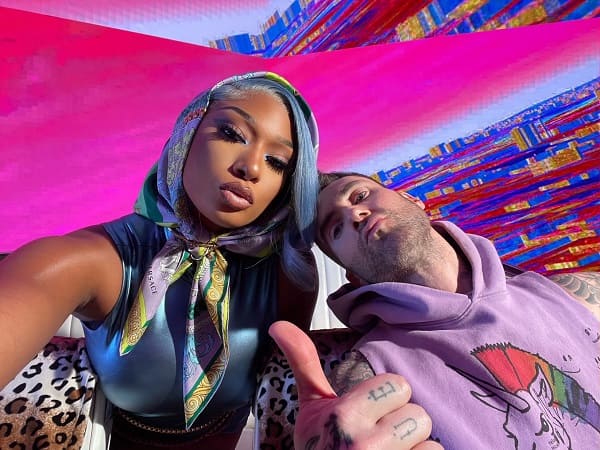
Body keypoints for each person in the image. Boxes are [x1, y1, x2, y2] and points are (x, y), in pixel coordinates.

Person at [0, 73, 436, 450]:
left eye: (276, 161)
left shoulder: (289, 276)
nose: (251, 167)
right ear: (187, 134)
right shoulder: (92, 260)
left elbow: (287, 384)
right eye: (231, 133)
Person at [312, 171, 600, 449]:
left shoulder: (574, 294)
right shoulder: (368, 375)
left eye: (360, 196)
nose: (355, 214)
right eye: (336, 228)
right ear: (353, 277)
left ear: (412, 198)